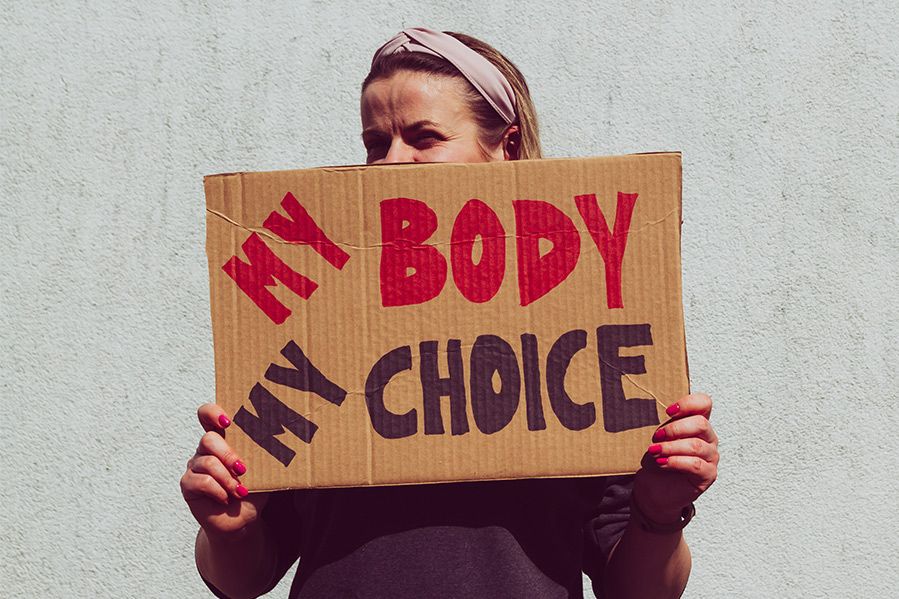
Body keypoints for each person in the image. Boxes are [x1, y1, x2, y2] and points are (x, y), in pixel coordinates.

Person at [181, 28, 719, 598]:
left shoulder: (577, 328)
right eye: (374, 142)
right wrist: (227, 526)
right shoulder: (316, 315)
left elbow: (639, 590)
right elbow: (240, 579)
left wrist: (659, 511)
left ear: (506, 149)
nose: (391, 163)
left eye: (424, 137)